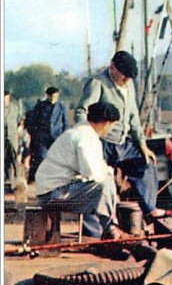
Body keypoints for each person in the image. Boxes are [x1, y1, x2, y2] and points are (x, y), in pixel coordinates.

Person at [75, 50, 172, 222]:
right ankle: (96, 229)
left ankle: (150, 209)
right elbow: (82, 111)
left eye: (129, 78)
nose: (126, 81)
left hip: (123, 142)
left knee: (146, 165)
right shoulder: (98, 83)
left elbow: (133, 116)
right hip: (102, 142)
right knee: (96, 181)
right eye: (124, 77)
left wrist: (142, 144)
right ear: (112, 67)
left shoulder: (129, 85)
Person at [35, 101, 124, 243]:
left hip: (52, 190)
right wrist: (109, 177)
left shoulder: (80, 131)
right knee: (104, 183)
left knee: (105, 180)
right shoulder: (86, 137)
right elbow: (91, 173)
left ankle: (109, 228)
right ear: (107, 123)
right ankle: (111, 229)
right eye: (113, 125)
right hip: (54, 193)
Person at [26, 86, 67, 181]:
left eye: (55, 97)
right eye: (51, 97)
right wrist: (35, 134)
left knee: (57, 160)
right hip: (42, 138)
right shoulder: (40, 106)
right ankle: (38, 179)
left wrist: (64, 135)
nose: (53, 99)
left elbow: (66, 122)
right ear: (47, 96)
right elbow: (32, 121)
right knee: (41, 158)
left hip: (57, 137)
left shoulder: (61, 107)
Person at [4, 90, 22, 188]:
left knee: (14, 158)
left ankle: (17, 178)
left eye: (5, 98)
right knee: (4, 158)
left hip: (12, 136)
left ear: (9, 98)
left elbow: (19, 120)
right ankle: (7, 179)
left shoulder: (15, 108)